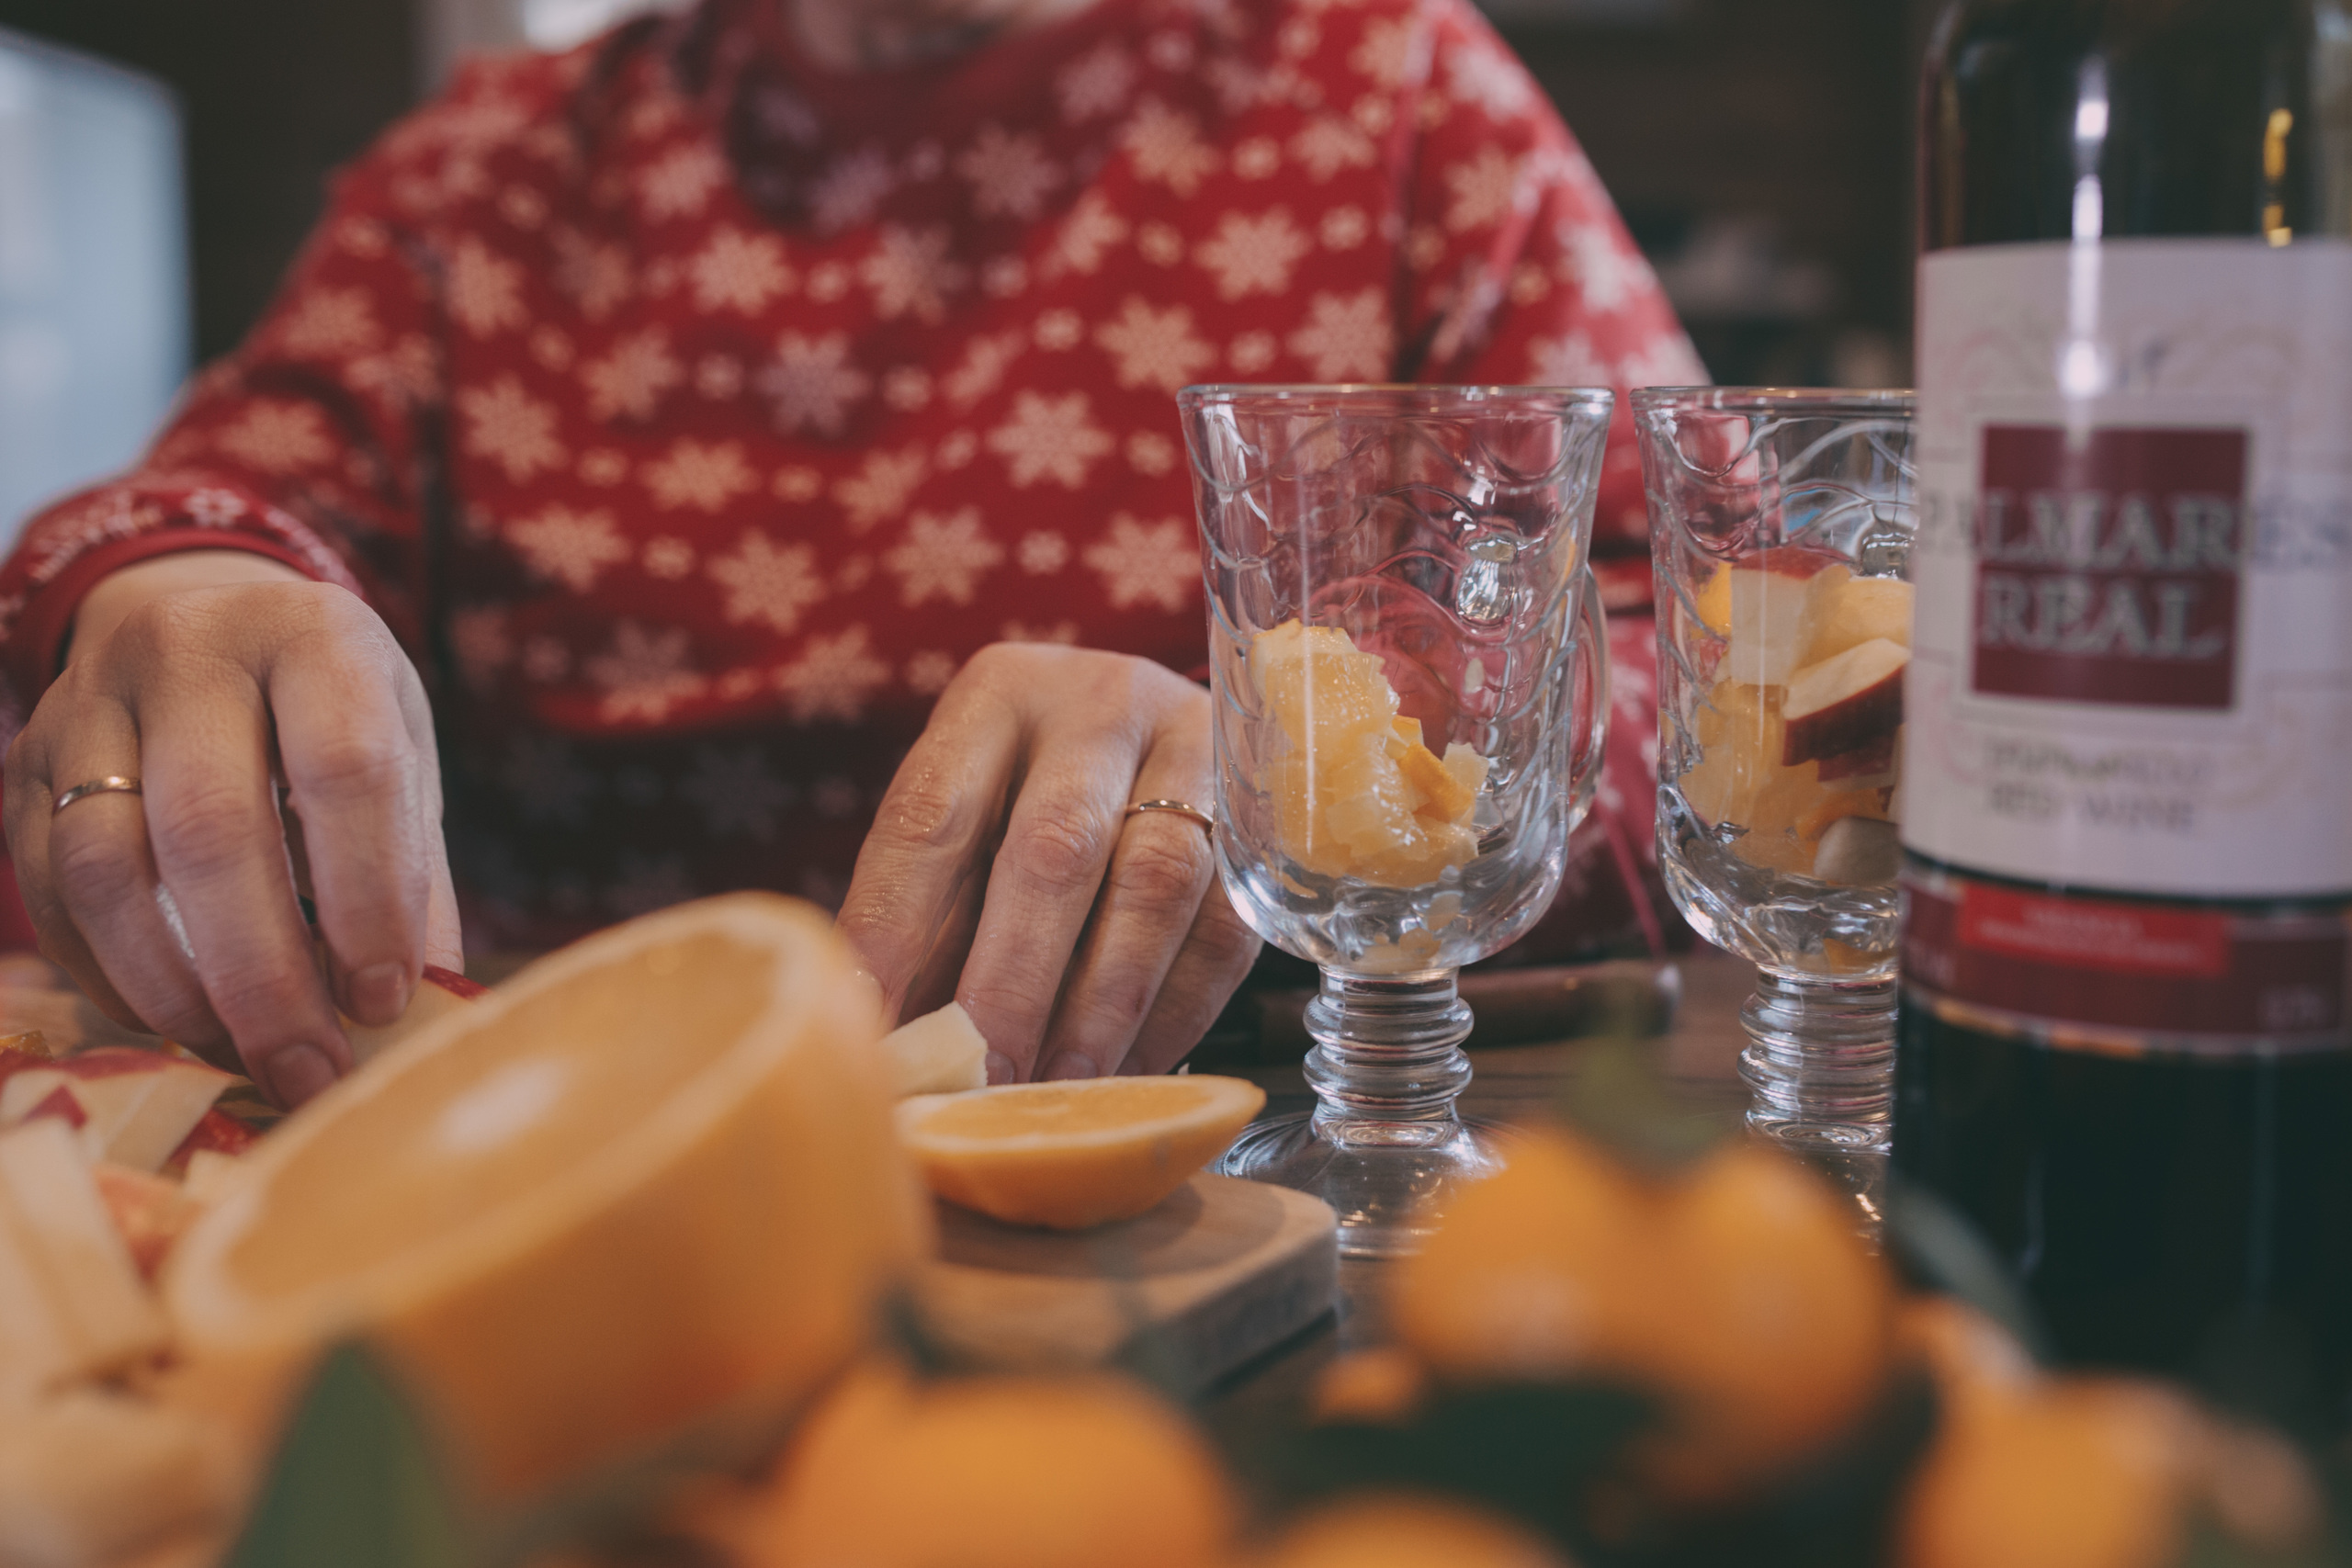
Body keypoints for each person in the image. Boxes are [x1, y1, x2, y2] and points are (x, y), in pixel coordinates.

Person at [0, 0, 1701, 1109]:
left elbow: (1692, 651)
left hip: (1220, 1136)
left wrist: (1297, 745)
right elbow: (214, 514)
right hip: (557, 1145)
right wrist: (166, 600)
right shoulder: (487, 176)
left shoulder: (1400, 99)